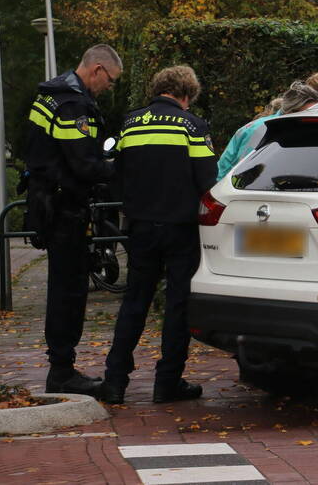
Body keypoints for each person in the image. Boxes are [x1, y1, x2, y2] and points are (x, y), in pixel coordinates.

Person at [99, 65, 218, 404]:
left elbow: (115, 172)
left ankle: (115, 381)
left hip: (140, 226)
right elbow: (207, 179)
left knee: (134, 301)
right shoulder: (193, 126)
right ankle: (167, 382)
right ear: (186, 95)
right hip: (180, 228)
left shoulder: (130, 122)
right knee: (177, 304)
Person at [23, 44, 122, 396]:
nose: (108, 88)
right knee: (69, 290)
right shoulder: (74, 105)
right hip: (64, 208)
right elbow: (84, 164)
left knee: (63, 287)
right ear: (96, 70)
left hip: (48, 201)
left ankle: (61, 366)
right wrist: (118, 167)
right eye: (109, 81)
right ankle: (62, 371)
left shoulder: (51, 94)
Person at [214, 79, 318, 182]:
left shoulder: (297, 130)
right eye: (307, 114)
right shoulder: (260, 130)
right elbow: (243, 173)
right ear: (290, 112)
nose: (312, 119)